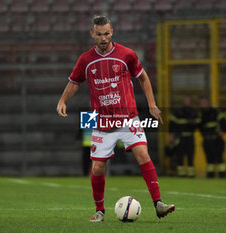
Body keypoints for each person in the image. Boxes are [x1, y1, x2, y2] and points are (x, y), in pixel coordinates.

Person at [56, 15, 175, 222]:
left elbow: (143, 77)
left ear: (112, 32)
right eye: (99, 34)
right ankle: (100, 211)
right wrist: (62, 100)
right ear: (92, 34)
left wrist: (152, 104)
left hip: (129, 118)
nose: (103, 38)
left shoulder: (126, 55)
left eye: (107, 33)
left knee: (143, 155)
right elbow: (75, 82)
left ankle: (158, 204)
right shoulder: (85, 59)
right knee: (97, 167)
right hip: (101, 122)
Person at [168, 95, 198, 177]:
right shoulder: (178, 112)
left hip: (190, 137)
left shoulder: (194, 112)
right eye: (186, 100)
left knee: (190, 155)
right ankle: (181, 174)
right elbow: (172, 124)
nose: (187, 102)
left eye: (189, 100)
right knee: (179, 155)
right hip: (180, 137)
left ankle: (191, 174)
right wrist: (171, 135)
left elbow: (198, 123)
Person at [198, 96, 226, 178]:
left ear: (208, 103)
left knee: (219, 158)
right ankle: (210, 176)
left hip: (216, 139)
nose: (203, 105)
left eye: (204, 103)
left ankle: (222, 176)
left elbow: (224, 122)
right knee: (209, 159)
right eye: (202, 103)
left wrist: (223, 130)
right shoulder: (201, 114)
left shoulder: (216, 112)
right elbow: (200, 126)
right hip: (207, 140)